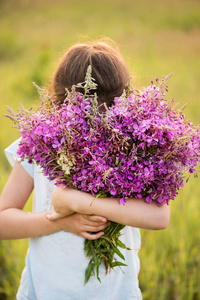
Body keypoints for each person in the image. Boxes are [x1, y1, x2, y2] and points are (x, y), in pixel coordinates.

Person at [0, 40, 170, 300]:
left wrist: (79, 201)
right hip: (44, 292)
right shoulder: (37, 143)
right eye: (82, 117)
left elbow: (160, 217)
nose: (93, 129)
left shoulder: (135, 146)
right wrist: (62, 222)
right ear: (60, 104)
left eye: (105, 117)